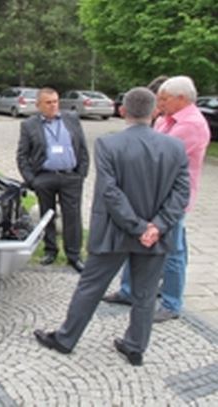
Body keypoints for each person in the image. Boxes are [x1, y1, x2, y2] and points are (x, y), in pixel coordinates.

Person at [33, 87, 190, 366]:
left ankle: (66, 339)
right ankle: (135, 347)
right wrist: (156, 226)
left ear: (122, 110)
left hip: (114, 232)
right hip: (155, 235)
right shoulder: (175, 147)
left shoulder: (108, 144)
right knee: (145, 294)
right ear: (154, 111)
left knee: (90, 287)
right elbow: (182, 193)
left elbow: (110, 191)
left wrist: (138, 226)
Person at [103, 76, 211, 323]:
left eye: (163, 99)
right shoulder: (164, 119)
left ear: (181, 99)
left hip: (171, 199)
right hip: (149, 193)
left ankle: (171, 303)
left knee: (173, 251)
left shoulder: (192, 125)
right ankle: (128, 290)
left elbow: (158, 156)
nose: (158, 103)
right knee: (136, 239)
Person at [17, 87, 89, 272]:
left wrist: (81, 173)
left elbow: (82, 148)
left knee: (73, 217)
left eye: (55, 101)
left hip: (71, 176)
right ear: (38, 105)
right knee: (46, 215)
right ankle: (50, 250)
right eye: (48, 102)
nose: (53, 105)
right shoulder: (29, 125)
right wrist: (32, 180)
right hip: (45, 176)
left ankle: (74, 255)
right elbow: (22, 156)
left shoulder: (71, 119)